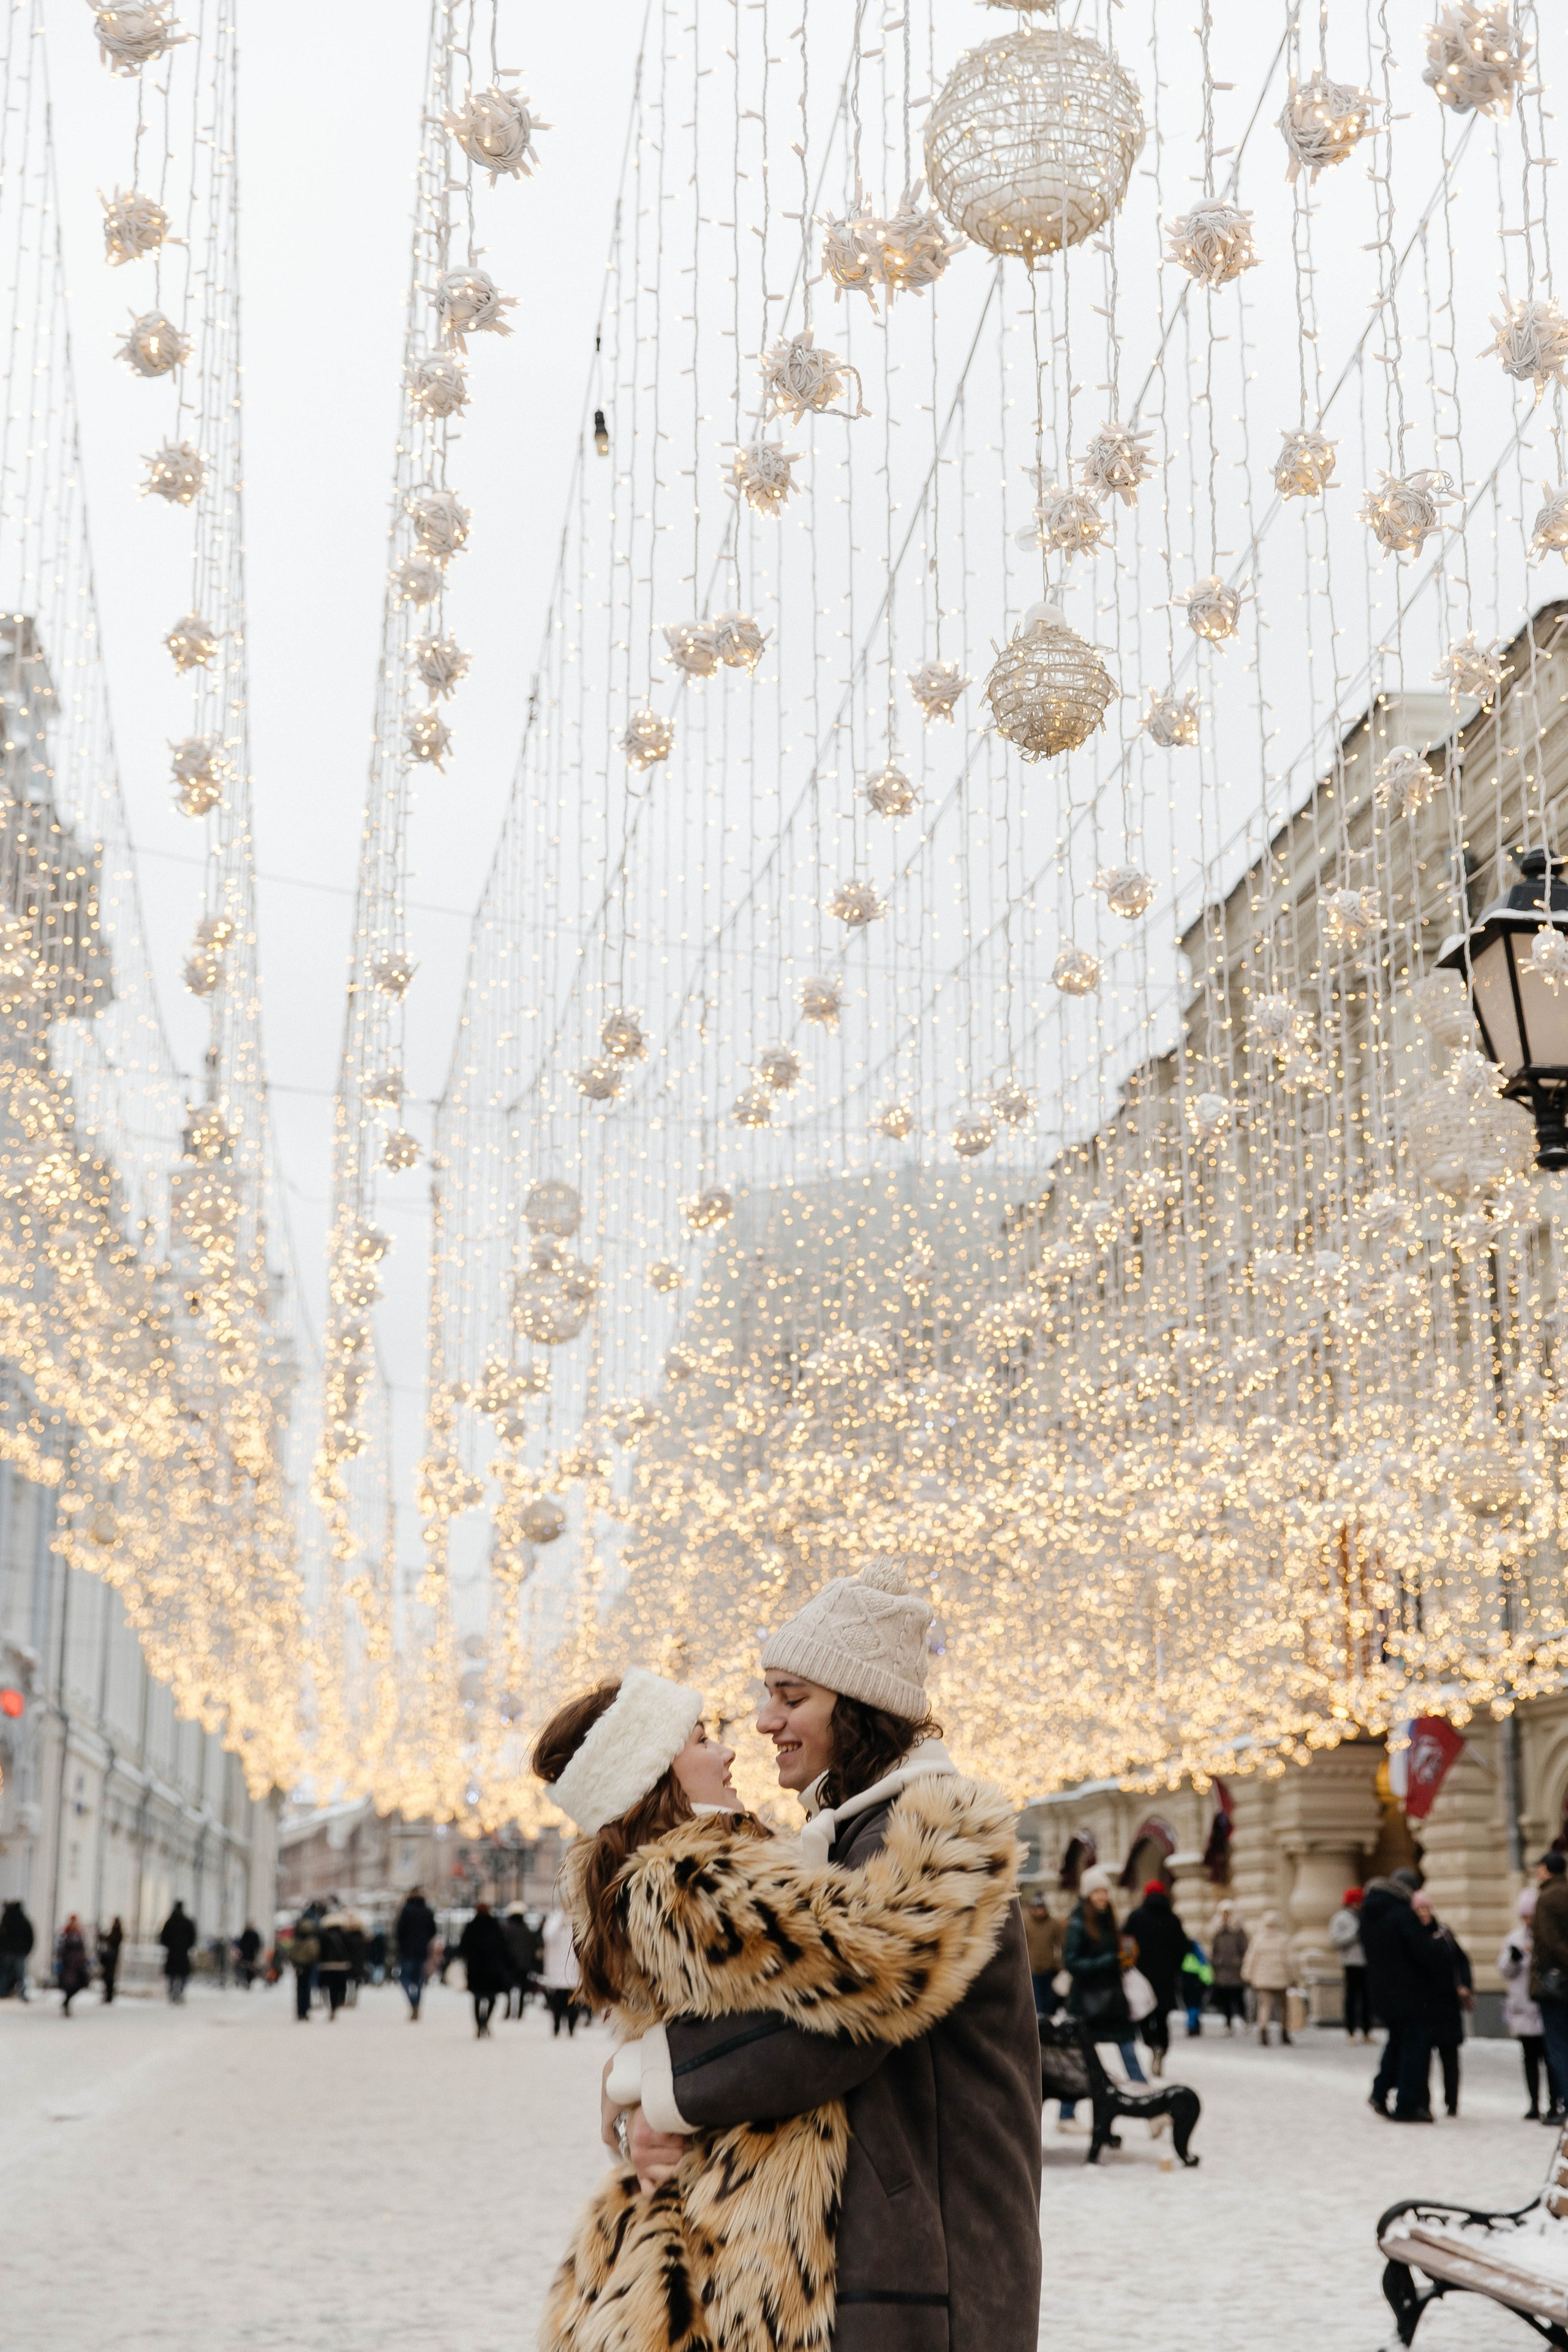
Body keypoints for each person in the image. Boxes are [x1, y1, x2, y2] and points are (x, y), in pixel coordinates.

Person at [537, 1640, 1034, 2352]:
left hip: (817, 2234)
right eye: (703, 1739)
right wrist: (645, 2085)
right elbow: (841, 2002)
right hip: (776, 2239)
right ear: (654, 1776)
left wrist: (641, 2078)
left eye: (790, 1697)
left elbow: (810, 2017)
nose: (750, 1734)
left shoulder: (821, 1844)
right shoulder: (698, 1875)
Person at [1361, 1869, 1453, 2122]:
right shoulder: (1403, 1915)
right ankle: (1408, 2106)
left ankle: (1380, 2092)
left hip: (1382, 1992)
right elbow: (1423, 1952)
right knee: (1416, 2048)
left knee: (1397, 2041)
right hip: (1410, 1994)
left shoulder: (1369, 1913)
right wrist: (1438, 1942)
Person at [1060, 1864, 1148, 2116]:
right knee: (1082, 2060)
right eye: (1097, 1892)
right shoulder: (1077, 1923)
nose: (1102, 1897)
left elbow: (1117, 1954)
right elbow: (1071, 1963)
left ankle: (1151, 2110)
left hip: (1114, 2001)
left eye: (1105, 1892)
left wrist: (1127, 1957)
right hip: (1086, 2004)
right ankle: (1066, 2115)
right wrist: (1108, 1961)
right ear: (1088, 1894)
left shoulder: (1111, 1920)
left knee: (1129, 2051)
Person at [1412, 1887, 1472, 2118]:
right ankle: (1424, 2103)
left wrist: (1464, 1985)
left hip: (1447, 2005)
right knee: (1423, 2058)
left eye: (1426, 1908)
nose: (1423, 1913)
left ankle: (1452, 2102)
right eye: (1418, 1910)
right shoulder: (1413, 1937)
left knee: (1450, 2057)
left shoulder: (1445, 1934)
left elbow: (1463, 1962)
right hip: (1424, 2006)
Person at [1123, 1878, 1190, 2075]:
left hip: (1141, 1977)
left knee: (1143, 2014)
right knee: (1162, 2017)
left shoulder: (1136, 1916)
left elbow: (1126, 1942)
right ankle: (1162, 2047)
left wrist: (1129, 1965)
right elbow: (1183, 1947)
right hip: (1166, 1977)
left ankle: (1151, 2044)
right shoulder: (1173, 1919)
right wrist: (1174, 1967)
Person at [1499, 1887, 1553, 2122]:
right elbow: (1504, 1970)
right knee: (1530, 2059)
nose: (1528, 1921)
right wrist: (1515, 1958)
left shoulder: (1549, 1937)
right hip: (1522, 2007)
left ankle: (1555, 2103)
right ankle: (1533, 2103)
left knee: (1551, 2060)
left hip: (1545, 2006)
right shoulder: (1514, 1938)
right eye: (1525, 1916)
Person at [1532, 1850, 1568, 2124]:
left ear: (1546, 1870)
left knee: (1557, 2047)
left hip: (1556, 1984)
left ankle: (1566, 2104)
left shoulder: (1546, 1898)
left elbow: (1549, 1942)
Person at [458, 1898, 510, 2038]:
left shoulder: (471, 1926)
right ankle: (486, 2021)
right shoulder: (495, 1926)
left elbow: (463, 1947)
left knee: (477, 1998)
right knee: (492, 1998)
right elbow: (503, 1948)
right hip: (492, 1969)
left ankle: (479, 2025)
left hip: (476, 1969)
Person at [1242, 1910, 1294, 2045]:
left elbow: (1250, 1959)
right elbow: (1291, 1961)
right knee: (1284, 2007)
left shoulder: (1258, 1939)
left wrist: (1248, 1975)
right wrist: (1294, 1977)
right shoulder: (1284, 1939)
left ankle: (1263, 2031)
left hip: (1263, 1979)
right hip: (1281, 1979)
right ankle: (1284, 2032)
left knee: (1264, 2006)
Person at [1331, 1887, 1371, 2040]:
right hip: (1351, 1963)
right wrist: (1355, 1934)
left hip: (1366, 1962)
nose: (1359, 1905)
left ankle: (1367, 2032)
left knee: (1367, 1998)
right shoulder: (1340, 1919)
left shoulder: (1364, 1917)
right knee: (1352, 1997)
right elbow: (1336, 1940)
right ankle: (1351, 2031)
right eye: (1357, 1902)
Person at [395, 1885, 437, 2020]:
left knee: (404, 1979)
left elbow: (399, 1931)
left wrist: (403, 1944)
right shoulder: (427, 1911)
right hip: (422, 1951)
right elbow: (433, 1931)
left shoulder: (406, 1911)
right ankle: (417, 2003)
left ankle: (413, 2003)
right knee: (419, 1980)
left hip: (407, 1951)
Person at [540, 1902, 581, 2037]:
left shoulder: (579, 1919)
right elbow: (548, 1936)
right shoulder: (556, 1919)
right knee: (557, 2002)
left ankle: (571, 2027)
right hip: (557, 1969)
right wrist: (560, 1922)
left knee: (573, 2003)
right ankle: (557, 2025)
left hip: (574, 1969)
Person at [1023, 1888, 1065, 2015]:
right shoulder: (1026, 1924)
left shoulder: (1053, 1924)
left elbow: (1062, 1944)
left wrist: (1060, 1965)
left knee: (1049, 2001)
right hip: (1032, 1970)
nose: (1039, 1911)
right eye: (1037, 1908)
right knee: (1037, 2002)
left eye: (1042, 1908)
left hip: (1049, 1969)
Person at [1209, 1902, 1248, 2032]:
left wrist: (1239, 1961)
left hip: (1236, 1971)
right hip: (1222, 1971)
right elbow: (1213, 1950)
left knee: (1238, 1997)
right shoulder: (1218, 1930)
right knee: (1225, 1998)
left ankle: (1244, 2019)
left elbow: (1245, 1949)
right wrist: (1215, 1962)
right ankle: (1228, 2023)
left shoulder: (1238, 1930)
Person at [502, 1904, 543, 2018]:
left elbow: (504, 1947)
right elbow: (534, 1948)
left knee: (509, 1989)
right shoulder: (528, 1931)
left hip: (510, 1964)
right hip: (525, 1965)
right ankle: (520, 2012)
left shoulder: (507, 1931)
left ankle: (509, 2011)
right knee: (522, 1989)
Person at [315, 1909, 353, 2019]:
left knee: (329, 1988)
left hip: (327, 1966)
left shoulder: (323, 1935)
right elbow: (350, 1950)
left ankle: (332, 2006)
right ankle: (337, 2004)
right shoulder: (345, 1934)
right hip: (342, 1965)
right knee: (340, 1986)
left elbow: (320, 1950)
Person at [159, 1900, 195, 2003]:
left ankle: (172, 1993)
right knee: (184, 1975)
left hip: (172, 1953)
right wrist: (187, 1946)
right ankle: (179, 1993)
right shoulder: (187, 1922)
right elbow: (193, 1938)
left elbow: (163, 1937)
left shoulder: (170, 1922)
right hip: (183, 1953)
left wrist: (169, 1945)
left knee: (171, 1975)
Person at [55, 1914, 90, 2015]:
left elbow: (83, 1949)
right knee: (70, 1985)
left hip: (78, 1964)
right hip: (69, 1965)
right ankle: (66, 2004)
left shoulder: (79, 1933)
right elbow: (61, 1949)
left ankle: (66, 2002)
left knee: (81, 1984)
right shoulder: (65, 1934)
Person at [0, 1898, 34, 1999]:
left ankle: (2, 1992)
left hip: (8, 1952)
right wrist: (27, 1950)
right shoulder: (24, 1921)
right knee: (20, 1975)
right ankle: (22, 1994)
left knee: (5, 1973)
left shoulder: (5, 1921)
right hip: (20, 1952)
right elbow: (30, 1937)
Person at [288, 1915, 320, 2021]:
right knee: (306, 1988)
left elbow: (292, 1954)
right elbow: (315, 1953)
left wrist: (296, 1962)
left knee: (300, 1988)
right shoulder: (312, 1941)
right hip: (308, 1966)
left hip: (299, 1966)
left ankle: (301, 2011)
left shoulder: (298, 1941)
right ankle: (304, 2009)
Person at [1180, 1937, 1213, 2035]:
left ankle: (1192, 2025)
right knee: (1195, 2004)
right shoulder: (1197, 1951)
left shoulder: (1183, 1952)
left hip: (1186, 1979)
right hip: (1196, 1980)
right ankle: (1193, 2025)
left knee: (1190, 2004)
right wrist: (1208, 1981)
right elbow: (1204, 1965)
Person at [98, 1916, 124, 2003]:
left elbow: (112, 1940)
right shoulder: (115, 1931)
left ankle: (109, 1996)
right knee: (108, 1978)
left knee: (109, 1978)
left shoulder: (118, 1932)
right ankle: (108, 1996)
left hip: (112, 1959)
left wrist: (104, 1937)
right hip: (110, 1959)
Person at [235, 1921, 261, 1990]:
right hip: (246, 1954)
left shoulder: (255, 1935)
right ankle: (246, 1981)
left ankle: (249, 1981)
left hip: (251, 1954)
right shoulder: (246, 1934)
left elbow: (258, 1945)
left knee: (250, 1968)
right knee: (245, 1967)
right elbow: (242, 1944)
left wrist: (257, 1952)